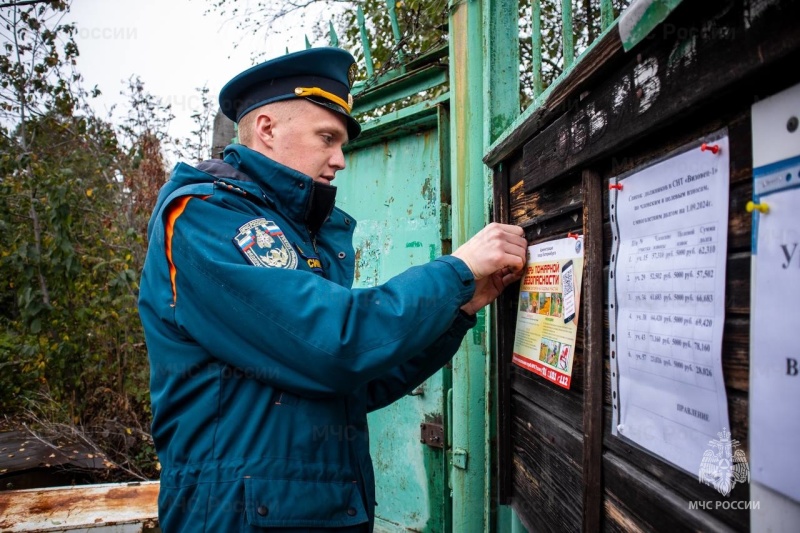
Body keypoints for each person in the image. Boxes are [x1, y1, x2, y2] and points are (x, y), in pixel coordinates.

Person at [138, 47, 527, 532]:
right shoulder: (204, 218)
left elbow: (359, 378)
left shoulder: (298, 234)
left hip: (314, 511)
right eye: (327, 138)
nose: (340, 160)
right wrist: (456, 270)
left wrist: (459, 309)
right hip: (235, 517)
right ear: (266, 128)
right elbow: (332, 344)